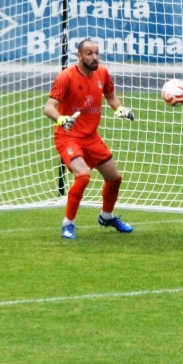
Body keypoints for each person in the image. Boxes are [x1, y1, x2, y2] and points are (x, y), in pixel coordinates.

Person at [44, 39, 135, 239]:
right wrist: (61, 119)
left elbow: (111, 96)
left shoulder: (102, 73)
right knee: (83, 176)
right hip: (68, 136)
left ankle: (107, 216)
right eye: (89, 53)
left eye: (96, 53)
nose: (94, 57)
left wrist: (119, 109)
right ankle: (68, 224)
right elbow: (48, 107)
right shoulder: (66, 77)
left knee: (114, 178)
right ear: (79, 56)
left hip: (91, 137)